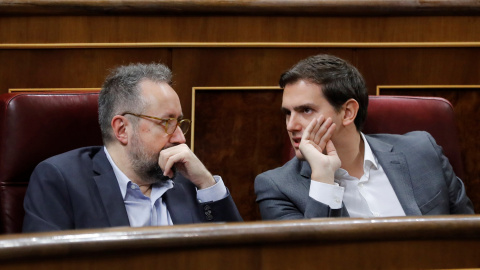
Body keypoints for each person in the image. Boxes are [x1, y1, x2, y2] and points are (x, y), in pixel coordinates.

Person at [23, 63, 242, 232]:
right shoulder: (60, 180)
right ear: (122, 129)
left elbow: (237, 257)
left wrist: (207, 183)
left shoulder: (187, 180)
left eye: (179, 123)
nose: (180, 139)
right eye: (166, 123)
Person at [254, 54, 474, 220]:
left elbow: (468, 239)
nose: (291, 125)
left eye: (306, 110)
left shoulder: (422, 152)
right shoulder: (277, 187)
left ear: (348, 112)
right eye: (287, 113)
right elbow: (307, 260)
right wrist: (323, 178)